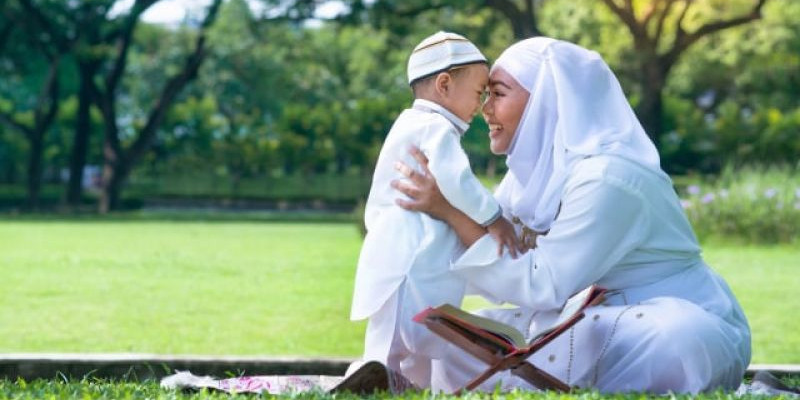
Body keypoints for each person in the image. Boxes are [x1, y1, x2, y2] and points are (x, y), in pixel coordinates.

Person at [391, 37, 752, 394]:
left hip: (670, 316)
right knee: (451, 344)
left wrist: (449, 211)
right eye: (484, 95)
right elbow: (505, 256)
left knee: (675, 341)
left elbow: (542, 285)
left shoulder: (610, 177)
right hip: (579, 317)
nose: (485, 109)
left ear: (550, 102)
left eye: (497, 94)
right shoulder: (527, 177)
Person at [348, 31, 522, 388]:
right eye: (478, 93)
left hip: (401, 250)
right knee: (403, 333)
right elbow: (458, 181)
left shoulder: (411, 124)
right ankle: (375, 380)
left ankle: (403, 385)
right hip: (409, 256)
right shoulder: (434, 128)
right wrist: (494, 218)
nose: (482, 106)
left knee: (411, 332)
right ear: (444, 85)